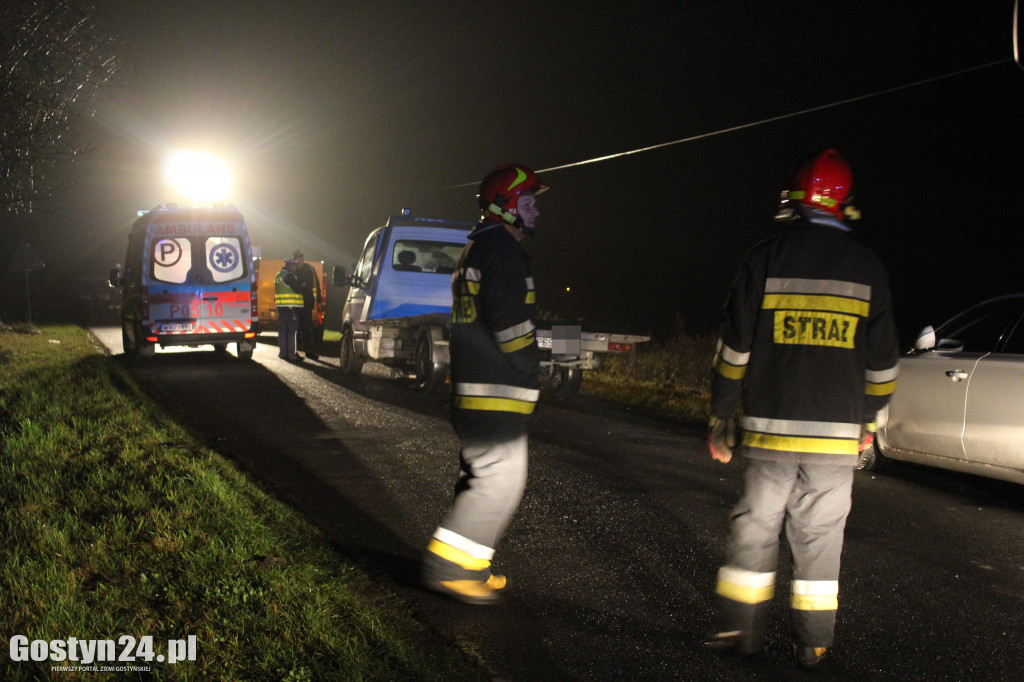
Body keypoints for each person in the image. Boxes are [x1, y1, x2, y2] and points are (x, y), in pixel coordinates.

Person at [704, 149, 900, 669]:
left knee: (754, 529)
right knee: (819, 540)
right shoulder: (868, 267)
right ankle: (813, 642)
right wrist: (870, 422)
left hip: (770, 436)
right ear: (844, 204)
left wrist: (722, 416)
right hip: (835, 441)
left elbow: (735, 349)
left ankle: (738, 632)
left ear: (792, 198)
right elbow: (882, 363)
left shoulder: (765, 257)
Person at [422, 163, 548, 604]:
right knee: (498, 480)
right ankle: (448, 570)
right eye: (529, 202)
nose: (536, 211)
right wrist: (534, 364)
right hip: (494, 389)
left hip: (480, 387)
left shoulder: (482, 248)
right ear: (507, 206)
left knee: (487, 477)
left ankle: (470, 566)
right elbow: (511, 325)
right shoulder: (501, 251)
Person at [292, 249, 321, 360]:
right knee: (294, 328)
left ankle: (309, 351)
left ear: (302, 259)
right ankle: (293, 352)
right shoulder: (291, 269)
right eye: (296, 259)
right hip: (294, 303)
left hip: (306, 303)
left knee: (306, 329)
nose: (297, 261)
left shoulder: (310, 269)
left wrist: (319, 299)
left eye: (299, 259)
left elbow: (316, 285)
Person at [274, 259, 304, 362]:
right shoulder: (289, 276)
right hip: (290, 308)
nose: (295, 268)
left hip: (281, 307)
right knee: (292, 331)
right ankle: (292, 354)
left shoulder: (278, 275)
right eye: (294, 266)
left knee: (283, 331)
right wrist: (302, 285)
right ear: (290, 265)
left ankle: (283, 353)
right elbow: (298, 288)